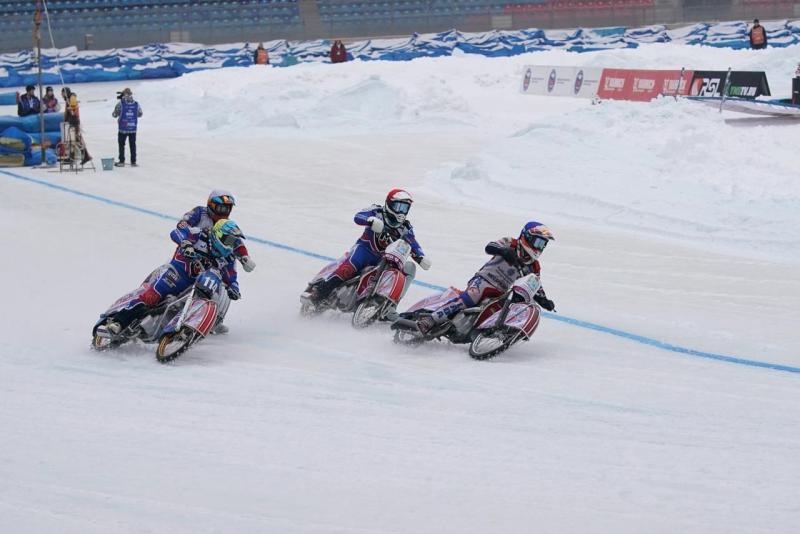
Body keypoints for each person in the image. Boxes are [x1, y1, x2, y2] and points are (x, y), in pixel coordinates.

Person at [104, 219, 245, 336]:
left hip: (199, 285)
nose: (230, 245)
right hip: (176, 274)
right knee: (150, 297)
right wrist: (186, 243)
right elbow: (176, 232)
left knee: (206, 299)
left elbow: (231, 277)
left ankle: (187, 328)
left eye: (233, 242)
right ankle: (118, 322)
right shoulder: (200, 234)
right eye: (229, 240)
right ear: (218, 234)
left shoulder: (229, 257)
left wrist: (234, 288)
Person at [416, 221, 556, 334]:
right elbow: (490, 246)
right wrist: (503, 251)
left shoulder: (534, 266)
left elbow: (534, 283)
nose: (540, 248)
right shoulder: (511, 243)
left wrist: (544, 299)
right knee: (470, 297)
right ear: (528, 237)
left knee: (501, 310)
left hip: (502, 292)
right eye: (538, 242)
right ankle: (430, 320)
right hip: (484, 280)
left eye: (543, 244)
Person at [305, 189, 432, 306]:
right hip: (364, 250)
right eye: (399, 206)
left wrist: (421, 256)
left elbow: (412, 242)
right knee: (348, 268)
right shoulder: (377, 211)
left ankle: (387, 306)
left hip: (383, 260)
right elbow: (358, 216)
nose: (401, 211)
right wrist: (370, 220)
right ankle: (320, 292)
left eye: (405, 208)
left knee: (393, 276)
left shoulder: (405, 227)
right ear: (389, 203)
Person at [173, 189, 256, 275]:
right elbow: (182, 225)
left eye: (227, 209)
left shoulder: (226, 225)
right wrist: (186, 242)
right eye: (221, 208)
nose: (224, 212)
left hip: (208, 264)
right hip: (187, 255)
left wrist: (244, 257)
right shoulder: (200, 212)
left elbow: (235, 241)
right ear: (211, 205)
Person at [112, 87, 142, 167]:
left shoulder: (120, 104)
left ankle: (122, 161)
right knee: (133, 145)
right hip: (133, 128)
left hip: (123, 128)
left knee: (121, 145)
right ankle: (133, 162)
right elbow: (140, 114)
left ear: (124, 95)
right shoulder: (136, 104)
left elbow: (114, 114)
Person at [61, 87, 92, 165]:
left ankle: (85, 156)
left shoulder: (72, 97)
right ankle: (73, 157)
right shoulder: (68, 99)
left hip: (74, 121)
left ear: (66, 92)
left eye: (63, 93)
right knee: (72, 140)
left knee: (76, 139)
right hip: (71, 121)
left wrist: (70, 108)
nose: (62, 95)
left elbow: (73, 107)